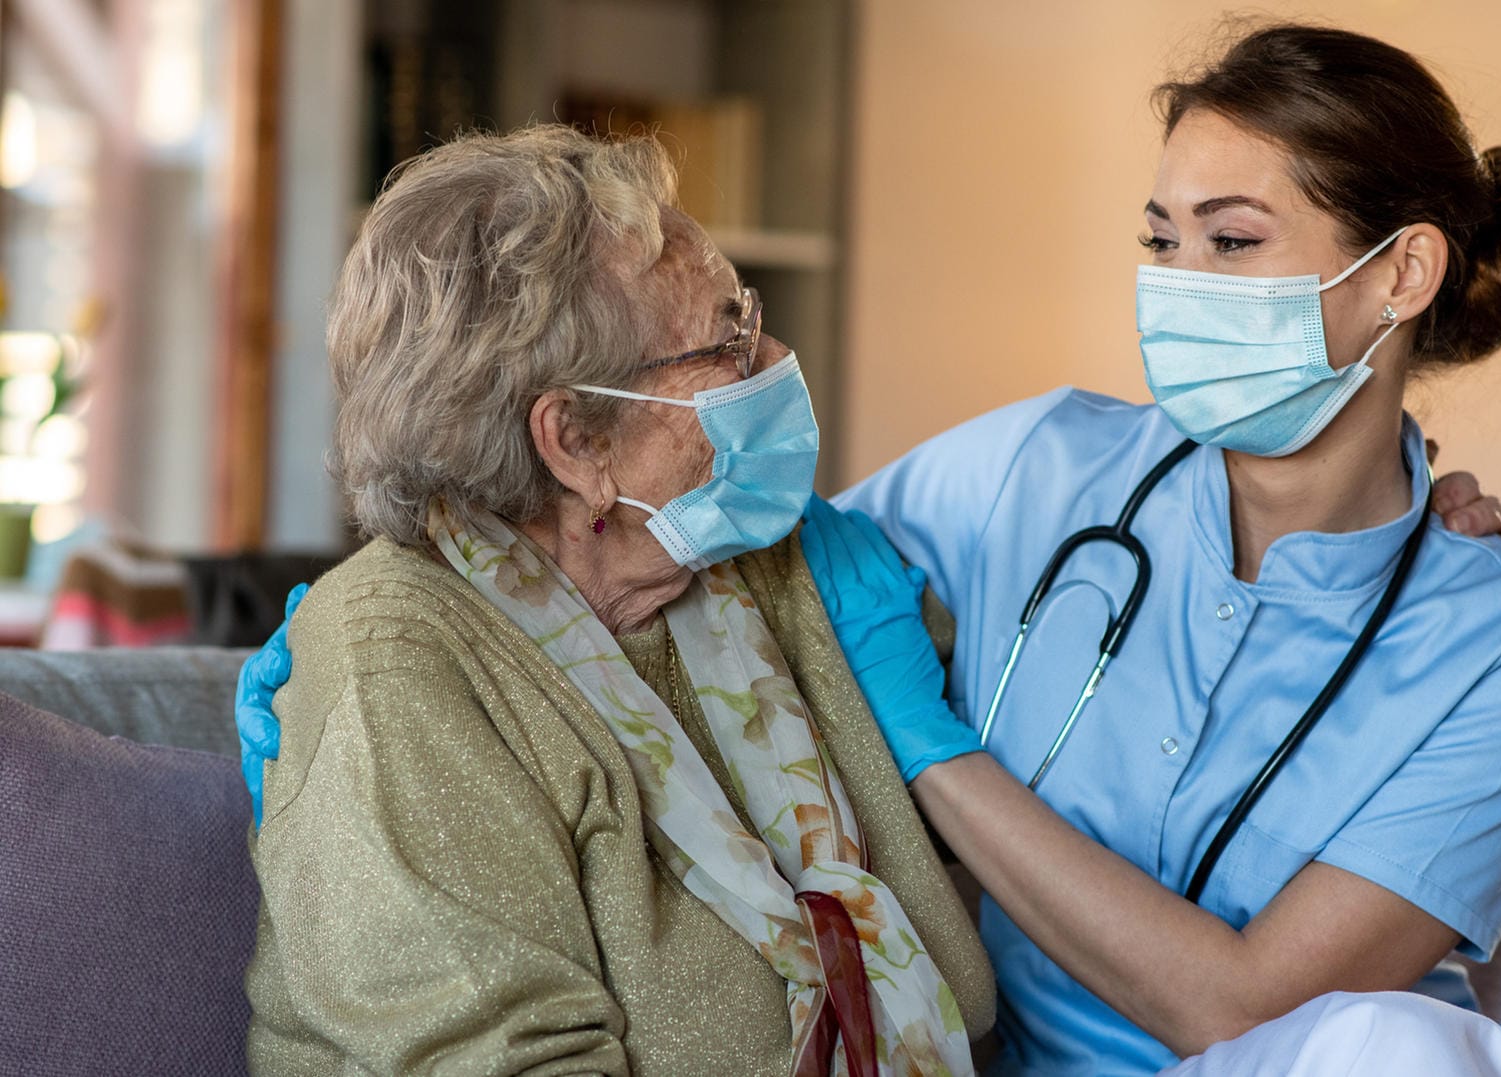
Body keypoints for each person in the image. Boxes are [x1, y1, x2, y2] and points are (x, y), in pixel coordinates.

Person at [801, 23, 1501, 1076]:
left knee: (1397, 1051)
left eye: (1230, 242)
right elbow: (760, 577)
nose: (1179, 283)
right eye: (1160, 242)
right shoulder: (1038, 466)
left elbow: (1243, 1010)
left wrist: (930, 746)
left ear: (1401, 272)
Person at [239, 125, 995, 1075]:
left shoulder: (754, 562)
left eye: (748, 314)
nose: (775, 357)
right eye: (728, 339)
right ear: (576, 443)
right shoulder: (398, 662)